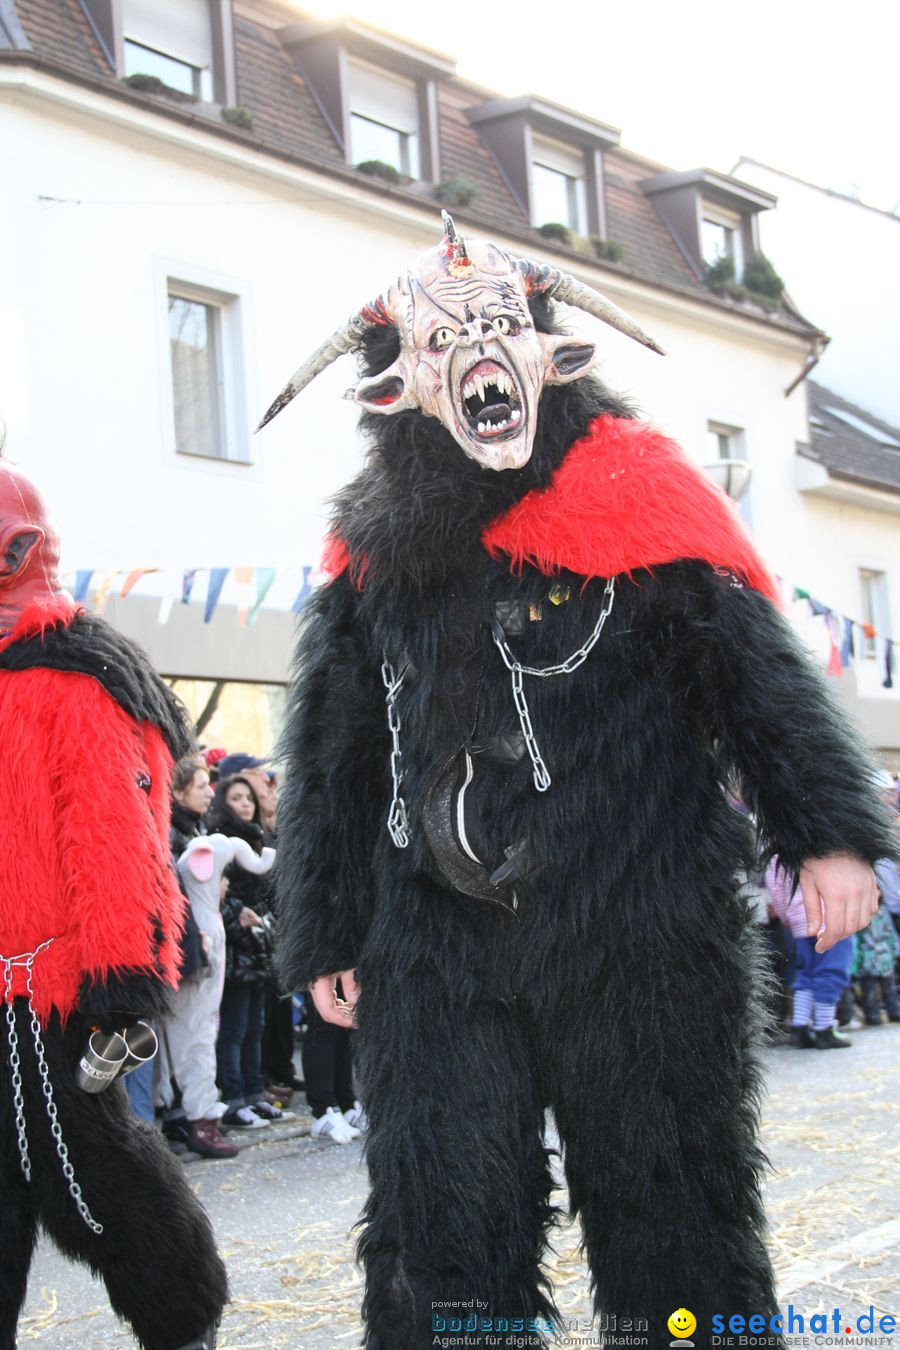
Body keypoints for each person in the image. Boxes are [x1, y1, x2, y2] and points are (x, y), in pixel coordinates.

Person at [260, 214, 894, 1349]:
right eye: (449, 342)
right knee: (442, 1226)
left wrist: (830, 831)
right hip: (436, 950)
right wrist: (326, 931)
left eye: (501, 332)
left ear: (552, 357)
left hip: (635, 929)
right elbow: (336, 753)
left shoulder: (642, 496)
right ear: (403, 388)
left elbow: (747, 669)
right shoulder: (374, 550)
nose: (481, 361)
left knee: (677, 1219)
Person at [0, 458, 226, 1349]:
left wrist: (120, 991)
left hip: (57, 998)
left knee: (87, 1171)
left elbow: (116, 845)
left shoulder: (79, 678)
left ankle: (184, 1322)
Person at [211, 775, 286, 1128]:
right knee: (235, 1028)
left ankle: (255, 1094)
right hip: (236, 948)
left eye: (248, 798)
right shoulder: (219, 843)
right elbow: (218, 897)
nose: (245, 804)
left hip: (258, 945)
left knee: (255, 1025)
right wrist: (239, 919)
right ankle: (234, 1098)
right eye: (237, 798)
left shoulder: (257, 838)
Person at [767, 859, 855, 1048]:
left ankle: (800, 1028)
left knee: (805, 973)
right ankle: (824, 1029)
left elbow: (775, 886)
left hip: (800, 919)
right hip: (833, 914)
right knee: (831, 971)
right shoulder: (826, 837)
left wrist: (786, 916)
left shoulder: (776, 849)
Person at [852, 884, 900, 1024]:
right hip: (867, 957)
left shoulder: (883, 911)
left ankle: (894, 1011)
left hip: (884, 956)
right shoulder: (858, 913)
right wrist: (855, 961)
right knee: (868, 989)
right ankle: (872, 1015)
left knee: (889, 987)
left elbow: (890, 932)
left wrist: (895, 950)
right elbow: (856, 939)